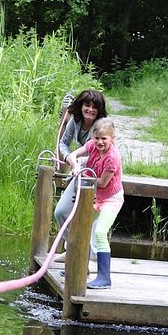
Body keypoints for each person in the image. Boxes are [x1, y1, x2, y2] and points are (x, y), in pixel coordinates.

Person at [65, 117, 124, 289]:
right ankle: (80, 268)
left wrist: (82, 174)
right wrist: (75, 163)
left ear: (112, 138)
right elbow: (74, 154)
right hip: (96, 196)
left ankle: (104, 278)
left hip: (111, 199)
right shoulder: (92, 145)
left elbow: (103, 183)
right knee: (81, 227)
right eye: (96, 138)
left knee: (99, 232)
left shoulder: (112, 158)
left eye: (104, 139)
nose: (99, 142)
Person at [51, 90, 107, 228]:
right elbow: (63, 143)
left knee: (87, 220)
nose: (90, 110)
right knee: (61, 213)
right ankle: (73, 247)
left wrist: (77, 161)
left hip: (97, 176)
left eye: (95, 107)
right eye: (87, 105)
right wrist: (68, 157)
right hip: (80, 171)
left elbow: (102, 155)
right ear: (81, 106)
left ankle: (83, 249)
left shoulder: (101, 126)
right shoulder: (76, 120)